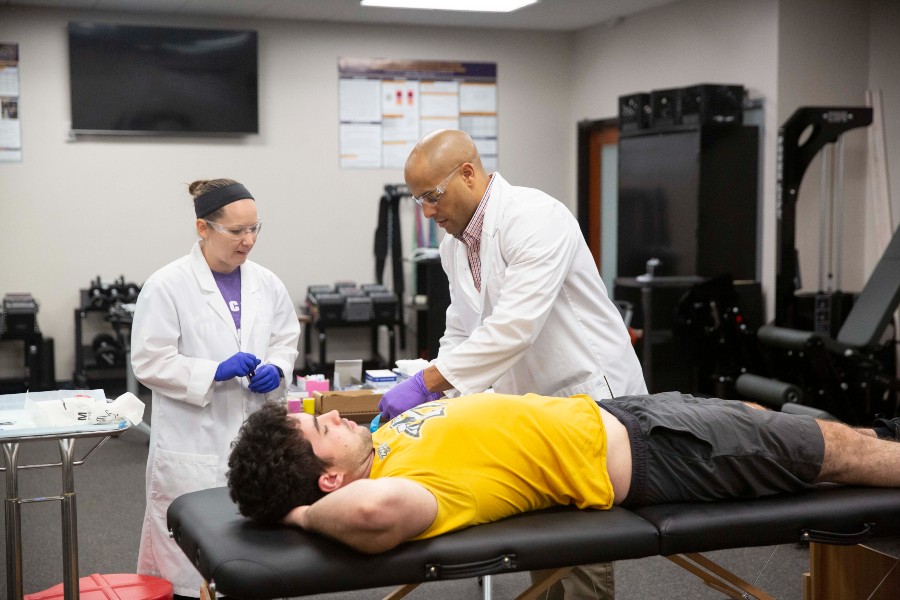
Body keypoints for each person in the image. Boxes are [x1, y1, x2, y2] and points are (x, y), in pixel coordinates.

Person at [378, 128, 647, 597]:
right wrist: (436, 396)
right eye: (418, 199)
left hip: (590, 395)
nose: (427, 212)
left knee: (583, 549)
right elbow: (461, 329)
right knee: (543, 539)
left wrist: (427, 381)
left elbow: (514, 327)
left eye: (433, 197)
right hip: (534, 406)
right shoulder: (453, 245)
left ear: (468, 174)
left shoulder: (535, 218)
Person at [227, 394, 900, 557]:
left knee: (828, 433)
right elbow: (372, 518)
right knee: (839, 454)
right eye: (323, 432)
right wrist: (298, 515)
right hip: (665, 452)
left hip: (630, 413)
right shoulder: (390, 495)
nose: (335, 419)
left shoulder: (379, 449)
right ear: (327, 483)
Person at [131, 178, 301, 600]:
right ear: (203, 229)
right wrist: (212, 371)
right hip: (194, 440)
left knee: (253, 558)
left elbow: (285, 339)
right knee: (190, 570)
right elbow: (149, 361)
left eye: (255, 229)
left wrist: (278, 369)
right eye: (237, 231)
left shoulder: (267, 282)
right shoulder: (167, 284)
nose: (248, 241)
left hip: (254, 437)